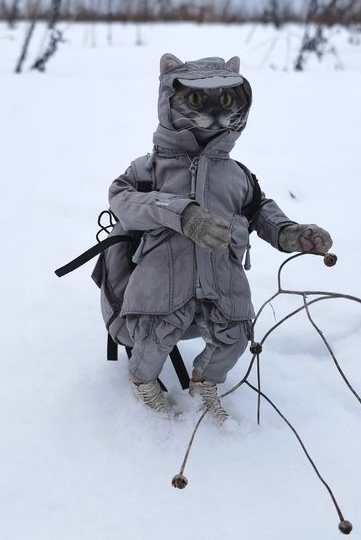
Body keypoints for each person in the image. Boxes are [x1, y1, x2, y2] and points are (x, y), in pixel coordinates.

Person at [107, 53, 332, 423]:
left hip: (221, 276)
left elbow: (258, 207)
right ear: (168, 96)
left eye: (226, 100)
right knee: (153, 335)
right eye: (195, 99)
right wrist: (181, 213)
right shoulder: (150, 168)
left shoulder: (236, 173)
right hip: (163, 275)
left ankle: (204, 383)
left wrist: (289, 233)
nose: (213, 112)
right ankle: (143, 383)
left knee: (235, 333)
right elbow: (122, 199)